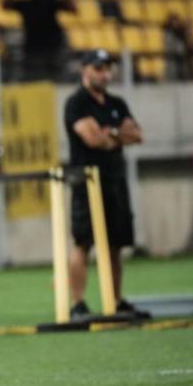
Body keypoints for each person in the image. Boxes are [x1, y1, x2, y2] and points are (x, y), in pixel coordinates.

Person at [64, 50, 146, 322]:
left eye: (108, 68)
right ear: (85, 69)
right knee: (82, 242)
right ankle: (77, 302)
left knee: (115, 244)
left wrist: (110, 133)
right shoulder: (76, 103)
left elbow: (136, 134)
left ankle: (116, 299)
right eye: (99, 68)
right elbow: (93, 139)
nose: (105, 73)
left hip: (114, 179)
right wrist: (114, 133)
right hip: (86, 181)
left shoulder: (116, 102)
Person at [2, 0, 75, 81]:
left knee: (33, 78)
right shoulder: (50, 2)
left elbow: (5, 5)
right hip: (50, 46)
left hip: (33, 47)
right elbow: (73, 9)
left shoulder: (26, 4)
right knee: (52, 78)